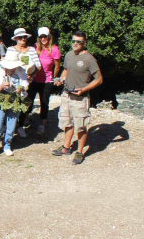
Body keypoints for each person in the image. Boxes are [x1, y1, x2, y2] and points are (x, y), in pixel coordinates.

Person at [53, 31, 103, 165]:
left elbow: (99, 80)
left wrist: (84, 89)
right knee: (67, 122)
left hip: (80, 98)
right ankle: (66, 147)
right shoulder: (69, 55)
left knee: (81, 126)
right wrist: (61, 80)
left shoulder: (89, 59)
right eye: (73, 41)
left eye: (78, 42)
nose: (75, 44)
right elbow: (66, 70)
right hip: (67, 95)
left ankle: (79, 152)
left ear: (84, 43)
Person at [0, 50, 29, 159]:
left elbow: (25, 83)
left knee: (11, 125)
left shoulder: (20, 71)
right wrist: (1, 86)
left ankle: (7, 145)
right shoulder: (0, 71)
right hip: (0, 100)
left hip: (14, 100)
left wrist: (21, 88)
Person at [7, 28, 42, 137]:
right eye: (20, 37)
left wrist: (31, 75)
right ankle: (9, 127)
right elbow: (7, 65)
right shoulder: (11, 50)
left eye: (24, 37)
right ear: (16, 38)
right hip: (13, 83)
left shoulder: (31, 50)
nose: (23, 39)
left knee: (24, 105)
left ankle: (20, 126)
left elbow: (38, 66)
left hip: (27, 83)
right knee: (11, 104)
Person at [30, 27, 62, 134]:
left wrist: (53, 77)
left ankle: (42, 124)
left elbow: (57, 66)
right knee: (29, 99)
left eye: (45, 36)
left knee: (44, 102)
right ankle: (25, 119)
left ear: (49, 37)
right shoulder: (35, 48)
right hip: (34, 79)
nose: (43, 39)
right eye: (41, 37)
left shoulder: (54, 49)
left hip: (47, 80)